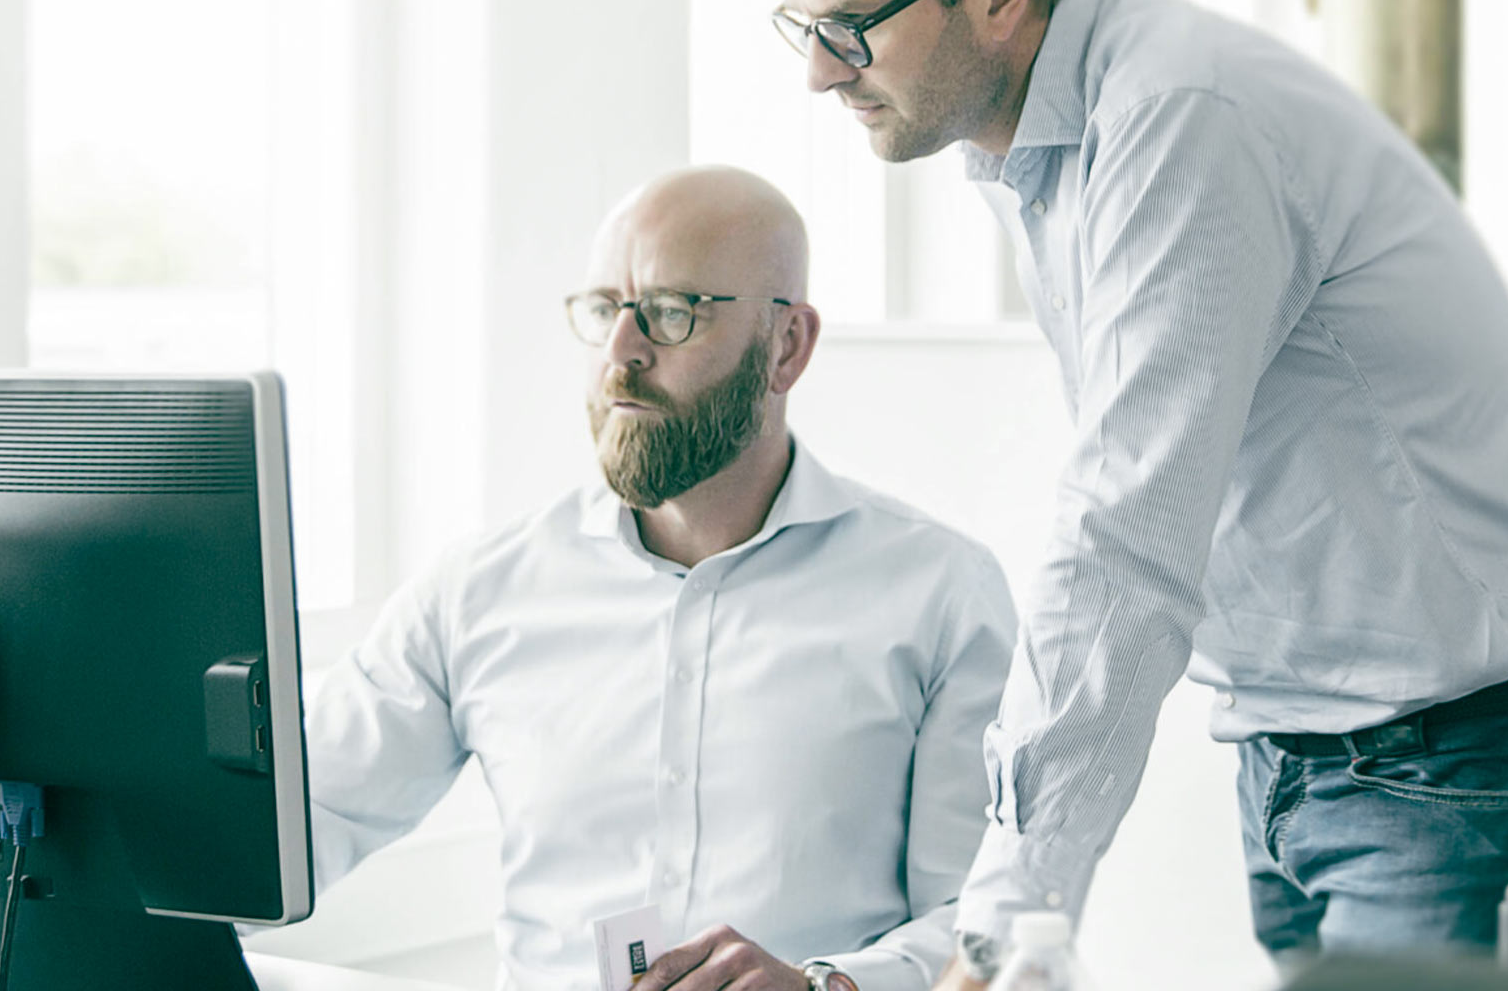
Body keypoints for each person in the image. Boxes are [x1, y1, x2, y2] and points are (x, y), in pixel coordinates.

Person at [759, 0, 1508, 980]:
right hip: (1307, 745)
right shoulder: (1050, 150)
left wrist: (1002, 918)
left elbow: (1128, 528)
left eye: (851, 24)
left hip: (1473, 746)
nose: (822, 73)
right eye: (803, 26)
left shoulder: (1178, 120)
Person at [301, 166, 1017, 991]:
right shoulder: (478, 593)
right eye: (607, 309)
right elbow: (293, 829)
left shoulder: (940, 593)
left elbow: (986, 921)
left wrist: (831, 987)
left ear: (787, 346)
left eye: (672, 314)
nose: (621, 352)